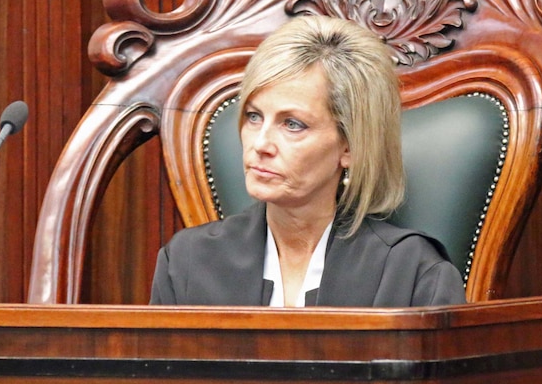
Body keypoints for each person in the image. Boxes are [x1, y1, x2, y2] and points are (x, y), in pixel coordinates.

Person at [150, 15, 466, 307]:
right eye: (254, 116)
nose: (261, 145)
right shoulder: (186, 263)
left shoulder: (414, 273)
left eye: (292, 124)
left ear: (350, 146)